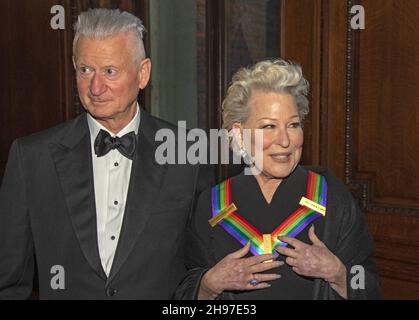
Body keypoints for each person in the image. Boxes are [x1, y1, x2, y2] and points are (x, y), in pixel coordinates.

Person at [0, 8, 213, 299]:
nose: (96, 87)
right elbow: (8, 282)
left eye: (110, 71)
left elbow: (202, 270)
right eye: (85, 70)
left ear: (143, 73)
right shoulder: (31, 158)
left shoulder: (188, 153)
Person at [175, 59, 382, 300]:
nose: (284, 140)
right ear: (240, 135)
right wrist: (209, 284)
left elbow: (369, 285)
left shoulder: (333, 198)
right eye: (269, 126)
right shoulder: (211, 204)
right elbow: (184, 290)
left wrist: (338, 273)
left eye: (293, 125)